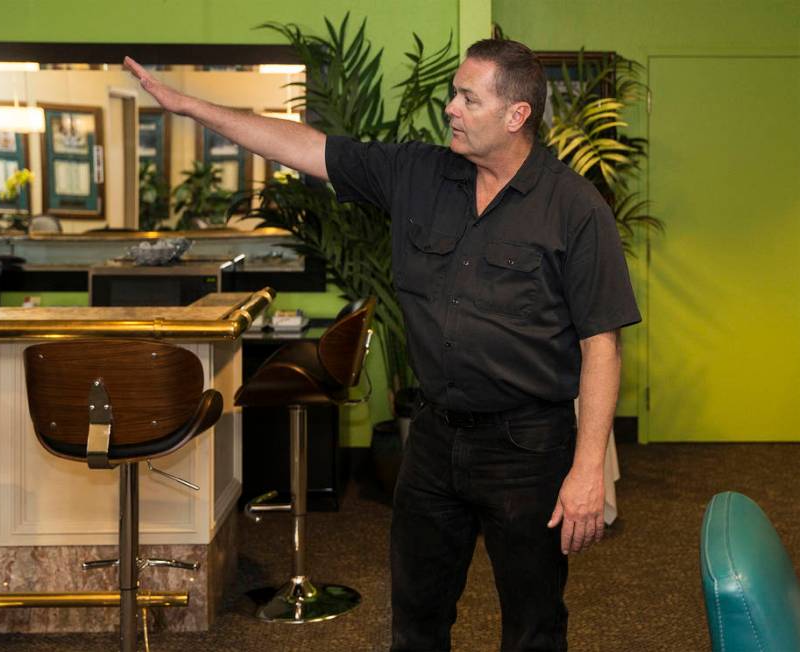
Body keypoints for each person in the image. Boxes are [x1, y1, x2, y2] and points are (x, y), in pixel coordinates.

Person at [125, 37, 640, 651]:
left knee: (533, 626)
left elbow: (601, 344)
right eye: (452, 91)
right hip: (433, 440)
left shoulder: (574, 208)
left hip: (526, 448)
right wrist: (191, 107)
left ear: (516, 115)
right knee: (416, 621)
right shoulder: (420, 173)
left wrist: (587, 471)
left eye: (467, 97)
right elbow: (307, 147)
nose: (450, 106)